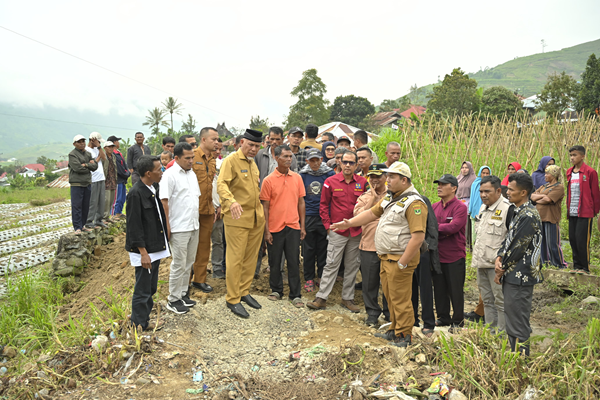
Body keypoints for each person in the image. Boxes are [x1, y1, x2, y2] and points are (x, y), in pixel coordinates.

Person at [330, 162, 427, 347]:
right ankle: (394, 330)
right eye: (387, 176)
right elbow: (371, 213)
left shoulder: (414, 203)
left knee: (401, 299)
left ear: (404, 180)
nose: (387, 180)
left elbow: (418, 237)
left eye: (391, 177)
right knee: (391, 297)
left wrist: (403, 263)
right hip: (387, 258)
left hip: (400, 259)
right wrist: (349, 223)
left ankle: (404, 336)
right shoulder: (392, 198)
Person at [306, 151, 367, 312]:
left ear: (356, 165)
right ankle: (321, 297)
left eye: (351, 163)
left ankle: (347, 298)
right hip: (336, 231)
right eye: (345, 162)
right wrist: (328, 227)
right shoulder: (330, 181)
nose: (347, 165)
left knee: (352, 266)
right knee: (331, 264)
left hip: (355, 232)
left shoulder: (363, 183)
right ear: (339, 163)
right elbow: (323, 205)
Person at [217, 129, 266, 318]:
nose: (253, 149)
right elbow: (222, 184)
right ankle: (232, 298)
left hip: (255, 217)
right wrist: (231, 201)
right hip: (237, 217)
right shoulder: (231, 161)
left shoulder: (253, 164)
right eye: (250, 145)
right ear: (241, 143)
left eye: (257, 146)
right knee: (235, 259)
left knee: (250, 258)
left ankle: (244, 291)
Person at [495, 173, 543, 356]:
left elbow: (517, 246)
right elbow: (508, 240)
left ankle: (521, 359)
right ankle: (515, 356)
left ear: (523, 192)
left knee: (518, 320)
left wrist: (500, 268)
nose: (507, 192)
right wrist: (499, 257)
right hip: (513, 274)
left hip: (520, 275)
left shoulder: (529, 215)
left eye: (511, 190)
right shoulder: (518, 211)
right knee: (512, 316)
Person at [125, 155, 170, 331]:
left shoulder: (154, 188)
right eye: (159, 170)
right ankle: (137, 325)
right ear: (148, 173)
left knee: (150, 287)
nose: (162, 172)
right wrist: (143, 253)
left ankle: (144, 320)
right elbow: (134, 226)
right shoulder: (136, 194)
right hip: (145, 250)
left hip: (155, 246)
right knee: (142, 288)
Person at [260, 145, 306, 306]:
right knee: (274, 261)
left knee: (294, 261)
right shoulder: (268, 180)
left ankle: (295, 294)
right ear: (276, 158)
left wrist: (302, 226)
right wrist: (266, 231)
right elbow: (264, 206)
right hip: (274, 228)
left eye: (290, 156)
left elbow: (301, 202)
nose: (289, 159)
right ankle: (276, 290)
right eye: (285, 156)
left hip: (293, 226)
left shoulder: (297, 178)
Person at [159, 142, 201, 315]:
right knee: (178, 263)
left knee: (189, 262)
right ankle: (173, 299)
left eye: (192, 157)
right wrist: (167, 226)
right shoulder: (169, 175)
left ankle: (183, 293)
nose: (191, 161)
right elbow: (164, 202)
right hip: (178, 227)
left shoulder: (192, 174)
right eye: (187, 158)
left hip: (193, 225)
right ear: (176, 158)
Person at [472, 175, 514, 332]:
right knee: (487, 300)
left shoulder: (507, 209)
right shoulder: (483, 208)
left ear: (498, 191)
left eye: (487, 191)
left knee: (501, 301)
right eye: (481, 191)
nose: (483, 195)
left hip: (496, 266)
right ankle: (490, 334)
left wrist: (503, 262)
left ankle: (502, 335)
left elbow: (511, 239)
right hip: (481, 263)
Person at [354, 164, 389, 325]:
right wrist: (373, 200)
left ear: (386, 178)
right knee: (369, 283)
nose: (375, 179)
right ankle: (372, 313)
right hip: (368, 245)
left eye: (378, 176)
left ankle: (390, 314)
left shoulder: (393, 196)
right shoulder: (364, 197)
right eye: (372, 176)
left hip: (389, 246)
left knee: (389, 283)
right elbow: (358, 217)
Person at [432, 174, 468, 330]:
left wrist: (435, 228)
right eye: (438, 184)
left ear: (454, 188)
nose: (439, 187)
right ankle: (443, 317)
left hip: (454, 256)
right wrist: (441, 228)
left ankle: (458, 320)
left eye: (443, 184)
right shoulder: (434, 206)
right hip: (438, 254)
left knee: (455, 290)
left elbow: (454, 227)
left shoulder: (461, 207)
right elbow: (431, 226)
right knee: (439, 289)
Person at [300, 148, 335, 292]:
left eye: (317, 160)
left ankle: (321, 276)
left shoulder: (329, 174)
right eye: (312, 160)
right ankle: (309, 278)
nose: (315, 163)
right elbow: (300, 198)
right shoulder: (302, 175)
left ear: (322, 160)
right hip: (308, 215)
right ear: (307, 161)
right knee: (308, 249)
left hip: (324, 216)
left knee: (323, 248)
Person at [190, 127, 218, 293]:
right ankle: (184, 282)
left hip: (207, 209)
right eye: (214, 139)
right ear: (203, 140)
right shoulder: (192, 156)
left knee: (204, 246)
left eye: (217, 139)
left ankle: (199, 280)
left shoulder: (213, 159)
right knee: (188, 247)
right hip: (192, 209)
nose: (216, 142)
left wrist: (215, 206)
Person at [566, 145, 600, 274]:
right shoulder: (569, 172)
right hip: (572, 211)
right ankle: (576, 266)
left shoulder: (590, 172)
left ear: (582, 156)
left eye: (574, 155)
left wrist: (595, 211)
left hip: (585, 212)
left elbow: (595, 193)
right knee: (573, 239)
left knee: (582, 240)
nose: (572, 158)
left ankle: (585, 268)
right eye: (571, 155)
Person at [531, 165, 567, 269]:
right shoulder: (544, 186)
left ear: (554, 175)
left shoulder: (558, 187)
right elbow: (532, 196)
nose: (545, 175)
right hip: (540, 217)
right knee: (541, 242)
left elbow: (548, 200)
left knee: (553, 243)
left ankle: (559, 264)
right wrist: (543, 196)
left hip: (551, 217)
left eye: (547, 173)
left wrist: (540, 198)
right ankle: (544, 263)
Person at [68, 134, 98, 233]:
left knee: (86, 206)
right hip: (77, 184)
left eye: (83, 141)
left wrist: (85, 165)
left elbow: (95, 166)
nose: (82, 144)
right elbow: (77, 168)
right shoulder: (72, 154)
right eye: (79, 142)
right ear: (74, 144)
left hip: (87, 183)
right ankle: (77, 227)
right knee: (77, 206)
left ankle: (82, 225)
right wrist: (89, 166)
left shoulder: (87, 154)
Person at [85, 132, 107, 229]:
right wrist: (98, 158)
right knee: (93, 201)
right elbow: (93, 163)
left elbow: (104, 157)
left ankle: (99, 220)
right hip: (93, 179)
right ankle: (89, 221)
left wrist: (99, 147)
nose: (99, 144)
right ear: (92, 140)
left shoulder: (97, 149)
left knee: (101, 201)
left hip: (101, 177)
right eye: (98, 142)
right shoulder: (86, 150)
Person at [107, 136, 129, 217]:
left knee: (122, 197)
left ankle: (119, 212)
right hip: (118, 179)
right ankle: (114, 214)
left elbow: (125, 165)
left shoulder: (118, 153)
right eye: (117, 141)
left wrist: (127, 173)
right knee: (117, 198)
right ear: (114, 143)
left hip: (123, 179)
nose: (118, 143)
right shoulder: (113, 155)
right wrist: (126, 174)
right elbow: (119, 168)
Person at [457, 162, 477, 251]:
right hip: (459, 202)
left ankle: (468, 244)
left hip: (468, 202)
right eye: (462, 167)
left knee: (467, 224)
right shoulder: (458, 178)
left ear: (470, 169)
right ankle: (460, 242)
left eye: (466, 168)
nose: (464, 169)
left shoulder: (473, 179)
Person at [102, 141, 118, 220]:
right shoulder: (103, 157)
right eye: (109, 147)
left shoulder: (113, 157)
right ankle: (104, 217)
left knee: (111, 200)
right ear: (105, 148)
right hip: (106, 181)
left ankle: (108, 216)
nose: (111, 148)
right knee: (106, 199)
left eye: (112, 147)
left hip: (113, 180)